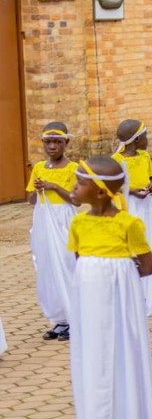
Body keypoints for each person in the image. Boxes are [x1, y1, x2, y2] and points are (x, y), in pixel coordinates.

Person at [67, 156, 152, 419]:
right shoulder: (78, 223)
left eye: (80, 183)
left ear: (99, 191)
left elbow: (149, 265)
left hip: (120, 300)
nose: (74, 187)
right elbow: (80, 263)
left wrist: (122, 277)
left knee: (120, 350)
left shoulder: (129, 224)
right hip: (88, 301)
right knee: (93, 352)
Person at [112, 120, 152, 316]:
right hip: (130, 205)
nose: (148, 140)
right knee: (135, 243)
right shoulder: (117, 160)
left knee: (151, 242)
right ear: (136, 140)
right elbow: (113, 186)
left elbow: (151, 176)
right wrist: (131, 192)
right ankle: (136, 293)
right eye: (145, 137)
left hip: (148, 204)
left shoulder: (145, 156)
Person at [26, 123, 78, 341]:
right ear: (43, 144)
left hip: (64, 219)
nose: (53, 146)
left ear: (66, 143)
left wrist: (55, 187)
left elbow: (76, 199)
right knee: (47, 266)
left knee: (66, 265)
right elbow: (30, 200)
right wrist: (38, 190)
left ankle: (74, 317)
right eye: (48, 142)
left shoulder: (74, 167)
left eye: (58, 142)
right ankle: (59, 319)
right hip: (43, 219)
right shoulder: (38, 167)